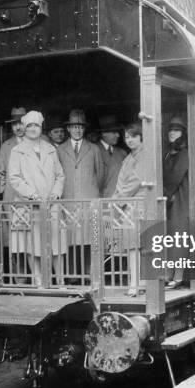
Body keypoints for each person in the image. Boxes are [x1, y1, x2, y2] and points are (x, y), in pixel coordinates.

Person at [8, 111, 65, 285]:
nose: (33, 129)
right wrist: (32, 195)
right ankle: (39, 282)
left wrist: (55, 193)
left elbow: (60, 175)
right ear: (25, 129)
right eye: (29, 126)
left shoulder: (50, 149)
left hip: (50, 204)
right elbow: (14, 178)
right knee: (32, 246)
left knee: (56, 246)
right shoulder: (17, 151)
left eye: (36, 125)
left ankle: (61, 282)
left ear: (41, 127)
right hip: (29, 205)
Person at [57, 109, 105, 281]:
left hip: (88, 200)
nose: (77, 130)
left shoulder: (93, 149)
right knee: (69, 240)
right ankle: (72, 276)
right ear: (68, 129)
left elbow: (100, 175)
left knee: (88, 240)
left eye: (80, 127)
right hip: (68, 200)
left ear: (84, 129)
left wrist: (91, 191)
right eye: (74, 127)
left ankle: (89, 274)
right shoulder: (60, 149)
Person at [113, 122, 147, 297]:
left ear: (141, 137)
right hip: (129, 205)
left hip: (138, 205)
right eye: (127, 137)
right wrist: (116, 199)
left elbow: (135, 180)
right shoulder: (129, 157)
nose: (130, 140)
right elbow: (121, 183)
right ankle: (136, 283)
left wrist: (117, 201)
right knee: (133, 246)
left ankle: (137, 284)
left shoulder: (144, 155)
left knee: (137, 246)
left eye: (133, 136)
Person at [162, 116, 190, 289]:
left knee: (178, 237)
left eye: (176, 130)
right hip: (172, 198)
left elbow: (175, 176)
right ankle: (169, 274)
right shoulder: (170, 151)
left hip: (179, 198)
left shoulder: (183, 152)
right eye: (170, 130)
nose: (172, 133)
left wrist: (166, 193)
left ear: (182, 133)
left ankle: (178, 277)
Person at [0, 107, 27, 202]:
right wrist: (4, 192)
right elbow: (1, 172)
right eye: (15, 124)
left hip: (33, 196)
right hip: (12, 195)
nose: (18, 127)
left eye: (21, 123)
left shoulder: (36, 143)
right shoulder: (6, 146)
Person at [97, 114, 127, 197]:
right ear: (104, 134)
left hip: (119, 201)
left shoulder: (122, 153)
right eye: (114, 132)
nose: (118, 135)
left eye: (118, 132)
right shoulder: (93, 151)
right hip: (100, 202)